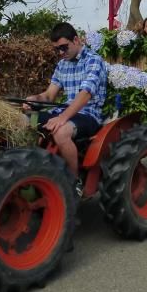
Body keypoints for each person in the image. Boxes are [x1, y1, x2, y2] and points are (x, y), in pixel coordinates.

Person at [25, 22, 107, 190]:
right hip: (64, 112)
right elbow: (48, 95)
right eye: (57, 49)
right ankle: (31, 173)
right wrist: (34, 99)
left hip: (88, 115)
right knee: (25, 121)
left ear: (76, 40)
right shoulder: (62, 65)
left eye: (64, 47)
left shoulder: (94, 61)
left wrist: (62, 118)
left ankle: (74, 182)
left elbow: (85, 95)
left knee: (61, 132)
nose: (61, 53)